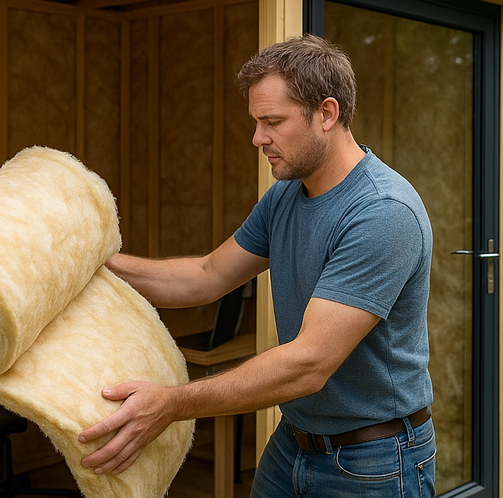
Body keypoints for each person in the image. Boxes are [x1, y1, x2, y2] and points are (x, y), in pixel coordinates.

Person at [78, 34, 436, 498]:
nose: (257, 138)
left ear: (326, 114)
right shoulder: (287, 194)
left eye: (272, 122)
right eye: (256, 122)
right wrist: (91, 266)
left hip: (375, 461)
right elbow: (207, 277)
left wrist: (172, 403)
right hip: (294, 441)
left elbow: (309, 363)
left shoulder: (382, 213)